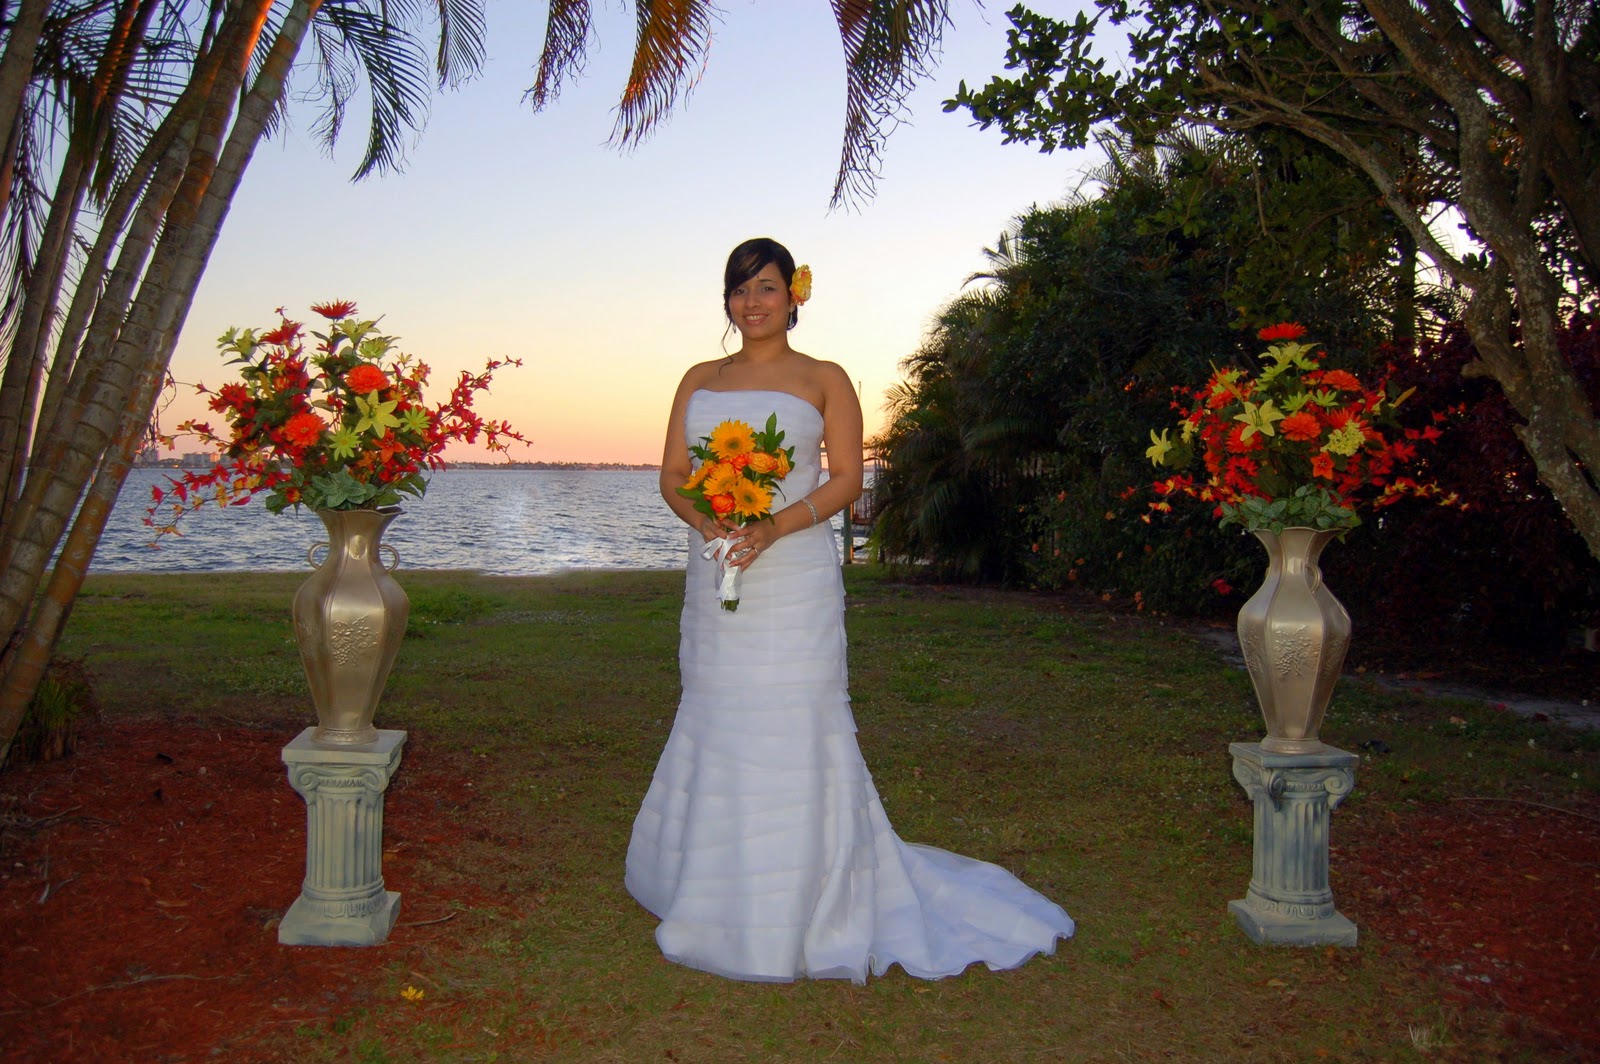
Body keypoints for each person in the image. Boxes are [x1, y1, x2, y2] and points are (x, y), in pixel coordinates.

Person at [625, 237, 1074, 983]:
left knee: (793, 717)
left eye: (766, 287)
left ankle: (806, 892)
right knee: (720, 710)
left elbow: (843, 480)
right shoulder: (698, 379)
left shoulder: (823, 377)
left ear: (793, 295)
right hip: (717, 565)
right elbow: (674, 475)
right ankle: (710, 882)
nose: (753, 303)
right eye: (740, 290)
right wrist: (707, 521)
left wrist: (772, 526)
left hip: (792, 570)